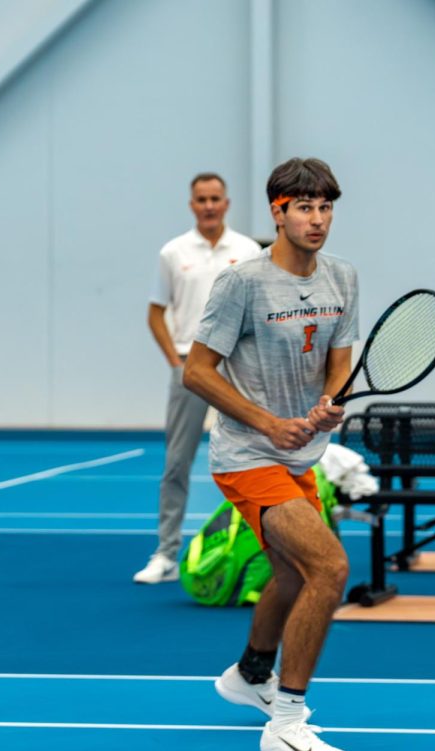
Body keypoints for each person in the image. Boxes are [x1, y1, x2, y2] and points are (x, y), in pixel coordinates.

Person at [182, 157, 357, 751]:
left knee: (291, 577)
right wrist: (270, 423)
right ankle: (286, 725)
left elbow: (341, 353)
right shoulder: (243, 283)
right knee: (330, 569)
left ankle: (251, 672)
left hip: (300, 457)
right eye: (304, 207)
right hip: (247, 455)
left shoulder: (342, 277)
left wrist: (331, 400)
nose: (317, 218)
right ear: (277, 212)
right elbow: (197, 371)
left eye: (325, 206)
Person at [135, 173, 260, 583]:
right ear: (192, 205)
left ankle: (262, 550)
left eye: (215, 198)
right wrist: (175, 361)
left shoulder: (248, 250)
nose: (208, 205)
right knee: (176, 462)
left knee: (257, 458)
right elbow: (156, 312)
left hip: (238, 368)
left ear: (227, 203)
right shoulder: (173, 253)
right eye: (201, 199)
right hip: (191, 367)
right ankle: (166, 554)